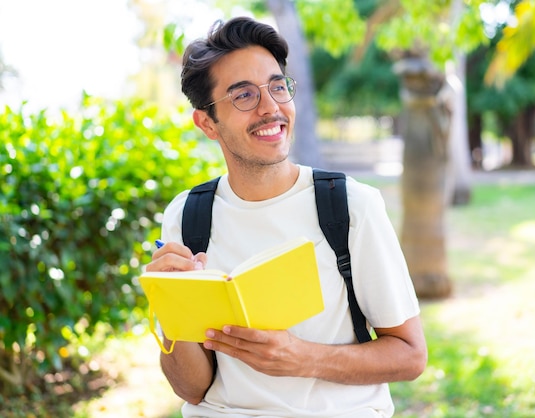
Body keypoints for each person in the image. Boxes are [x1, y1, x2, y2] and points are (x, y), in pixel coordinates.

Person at [146, 16, 427, 418]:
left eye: (278, 86)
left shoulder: (350, 205)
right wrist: (171, 309)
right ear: (207, 122)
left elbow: (410, 356)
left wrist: (302, 359)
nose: (271, 107)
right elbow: (191, 388)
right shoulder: (188, 214)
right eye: (243, 96)